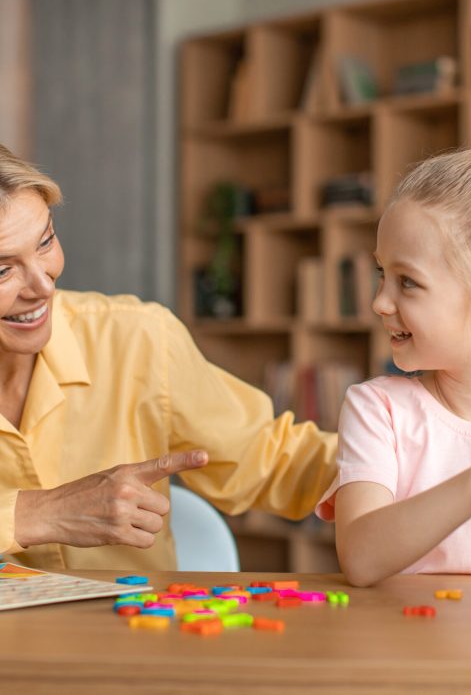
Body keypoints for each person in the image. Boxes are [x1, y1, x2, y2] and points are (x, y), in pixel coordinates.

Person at [0, 143, 338, 571]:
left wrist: (411, 458)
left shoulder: (137, 339)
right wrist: (36, 514)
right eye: (3, 270)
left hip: (134, 633)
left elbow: (270, 459)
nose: (43, 286)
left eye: (45, 241)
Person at [316, 147, 471, 586]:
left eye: (408, 282)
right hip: (401, 650)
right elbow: (360, 559)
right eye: (382, 273)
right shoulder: (378, 409)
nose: (379, 302)